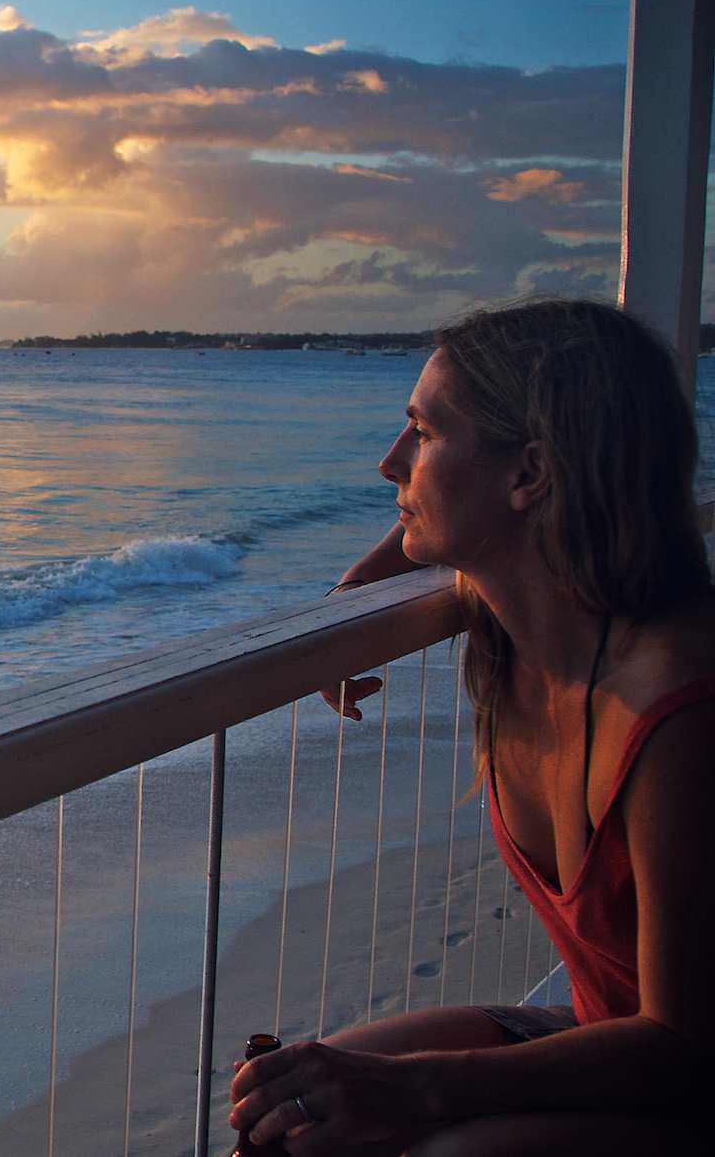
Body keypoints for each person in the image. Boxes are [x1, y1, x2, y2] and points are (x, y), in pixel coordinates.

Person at [228, 298, 713, 1154]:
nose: (389, 465)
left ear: (529, 476)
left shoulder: (679, 714)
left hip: (681, 1069)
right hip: (612, 1034)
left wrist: (415, 1091)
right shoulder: (522, 616)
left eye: (421, 432)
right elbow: (441, 526)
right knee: (288, 1123)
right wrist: (356, 592)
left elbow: (684, 1047)